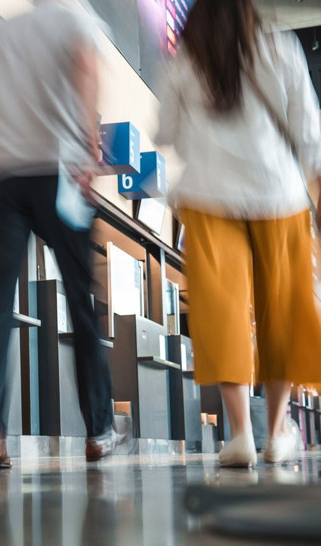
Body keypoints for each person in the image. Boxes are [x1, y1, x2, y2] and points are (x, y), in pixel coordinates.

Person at [157, 0, 321, 467]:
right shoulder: (280, 47)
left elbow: (167, 130)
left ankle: (240, 435)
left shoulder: (184, 59)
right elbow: (309, 132)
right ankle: (275, 432)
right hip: (280, 195)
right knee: (283, 310)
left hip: (209, 197)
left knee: (223, 310)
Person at [0, 0, 122, 469]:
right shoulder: (76, 20)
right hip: (60, 171)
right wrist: (90, 146)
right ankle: (98, 430)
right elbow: (84, 69)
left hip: (8, 178)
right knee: (81, 300)